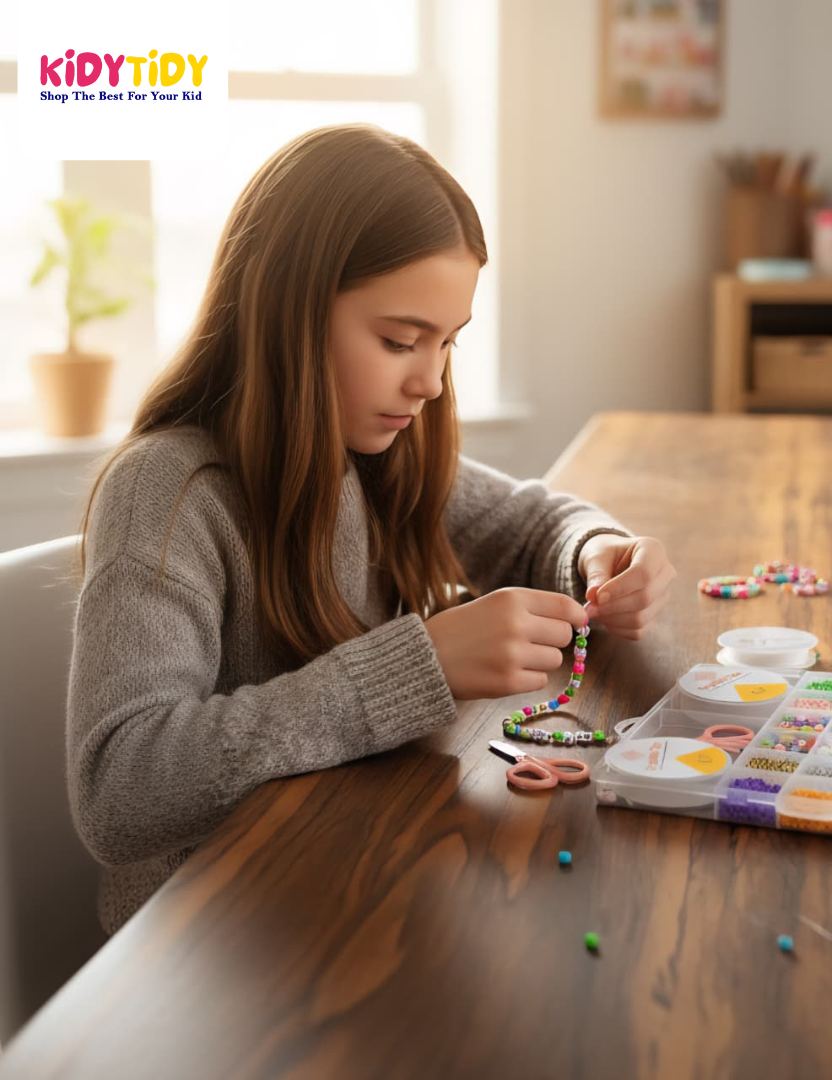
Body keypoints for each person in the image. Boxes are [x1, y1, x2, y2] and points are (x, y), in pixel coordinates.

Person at [67, 123, 677, 935]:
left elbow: (539, 521)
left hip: (344, 896)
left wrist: (595, 552)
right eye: (399, 340)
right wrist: (416, 666)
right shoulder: (166, 492)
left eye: (448, 344)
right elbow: (123, 790)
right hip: (200, 954)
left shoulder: (378, 447)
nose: (428, 380)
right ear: (286, 313)